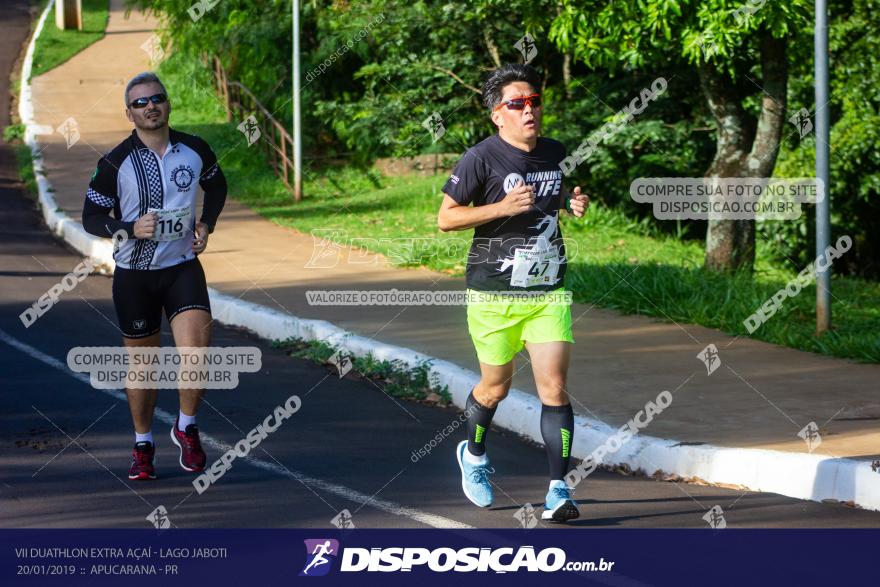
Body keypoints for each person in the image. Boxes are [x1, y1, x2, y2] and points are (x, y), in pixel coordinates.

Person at [437, 63, 589, 522]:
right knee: (495, 387)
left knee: (555, 388)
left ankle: (559, 490)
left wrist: (572, 203)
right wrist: (499, 207)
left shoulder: (555, 152)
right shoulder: (479, 159)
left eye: (534, 102)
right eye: (517, 104)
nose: (529, 111)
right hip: (493, 294)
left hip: (547, 290)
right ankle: (475, 455)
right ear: (497, 115)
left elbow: (552, 199)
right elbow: (446, 218)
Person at [81, 72, 227, 480]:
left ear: (167, 104)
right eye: (140, 103)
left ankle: (186, 426)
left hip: (182, 268)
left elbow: (217, 187)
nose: (150, 106)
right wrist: (126, 227)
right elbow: (91, 217)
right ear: (129, 113)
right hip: (135, 275)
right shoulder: (114, 162)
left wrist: (206, 225)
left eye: (156, 99)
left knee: (197, 349)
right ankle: (143, 443)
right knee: (144, 367)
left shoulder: (195, 149)